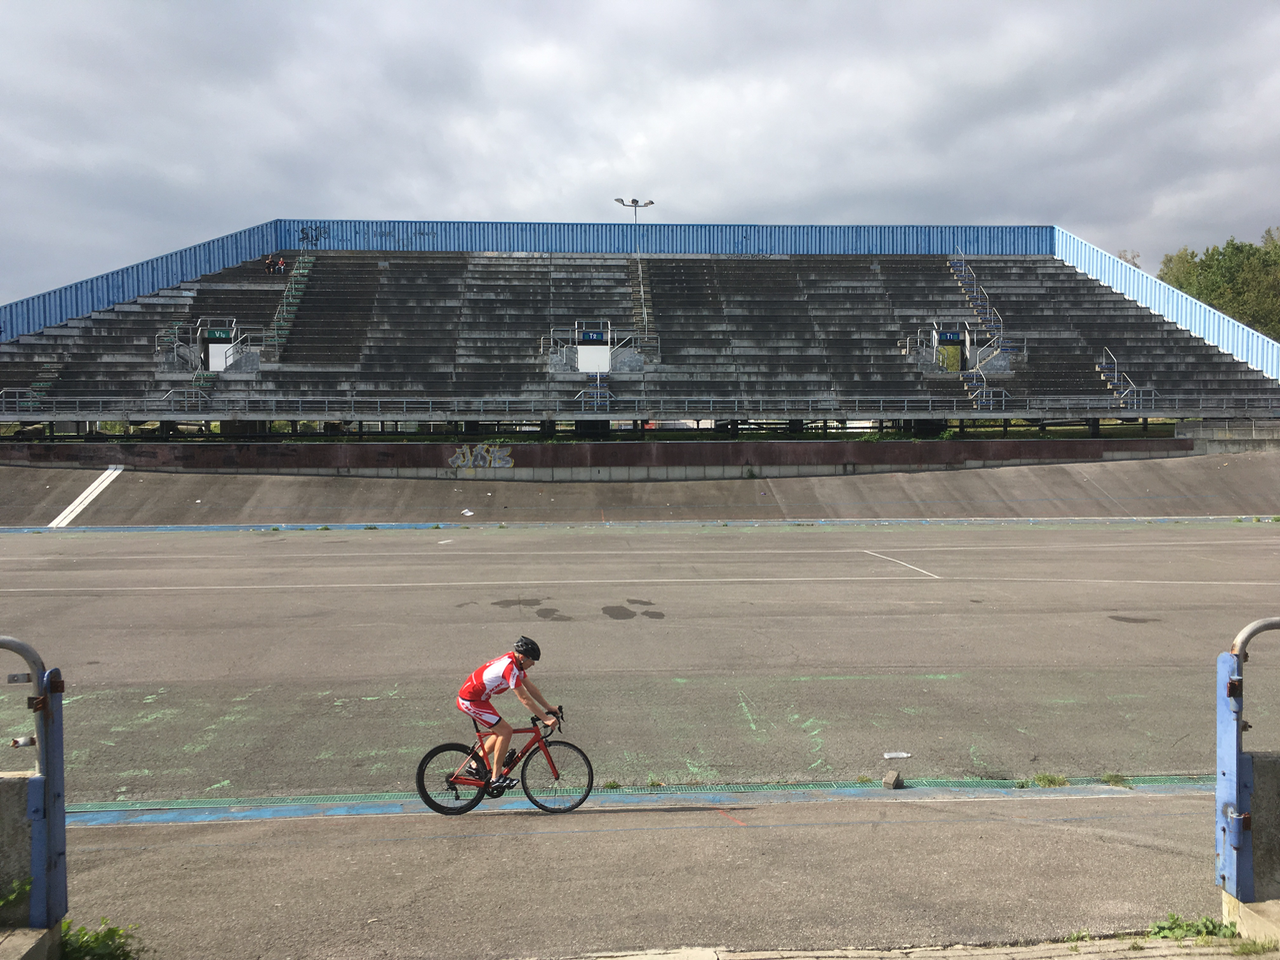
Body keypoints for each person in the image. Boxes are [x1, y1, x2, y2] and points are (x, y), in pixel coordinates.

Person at [456, 636, 559, 790]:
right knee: (505, 731)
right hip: (470, 700)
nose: (534, 664)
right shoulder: (509, 668)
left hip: (479, 699)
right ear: (523, 658)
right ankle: (496, 778)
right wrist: (545, 718)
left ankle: (474, 765)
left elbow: (530, 687)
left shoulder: (516, 664)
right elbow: (524, 698)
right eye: (532, 660)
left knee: (499, 732)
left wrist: (548, 706)